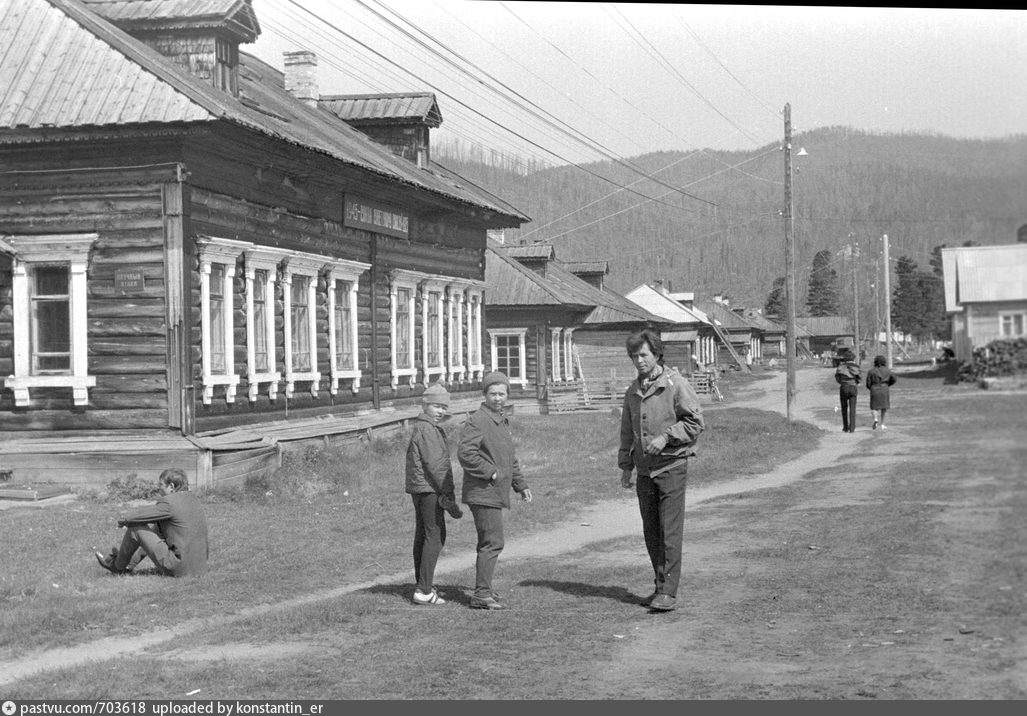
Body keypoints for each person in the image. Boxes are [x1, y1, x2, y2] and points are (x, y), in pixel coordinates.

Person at [619, 329, 705, 612]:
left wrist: (667, 437)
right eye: (634, 356)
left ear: (656, 354)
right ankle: (659, 588)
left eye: (644, 354)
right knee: (651, 532)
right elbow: (627, 432)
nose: (639, 360)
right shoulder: (633, 391)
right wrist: (626, 467)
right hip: (645, 472)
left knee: (669, 531)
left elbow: (695, 422)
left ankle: (668, 591)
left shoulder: (675, 384)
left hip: (671, 467)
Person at [457, 370, 532, 610]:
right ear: (485, 394)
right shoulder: (478, 420)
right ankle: (481, 595)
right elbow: (465, 454)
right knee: (492, 541)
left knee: (490, 541)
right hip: (482, 491)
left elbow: (509, 458)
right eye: (493, 393)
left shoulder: (501, 420)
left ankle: (485, 589)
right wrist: (491, 472)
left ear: (507, 395)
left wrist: (520, 485)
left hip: (495, 491)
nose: (497, 398)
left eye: (501, 393)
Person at [405, 382, 463, 606]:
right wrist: (448, 494)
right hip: (429, 488)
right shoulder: (428, 429)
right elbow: (437, 466)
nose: (440, 411)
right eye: (436, 406)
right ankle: (424, 590)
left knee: (424, 535)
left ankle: (423, 584)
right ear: (425, 405)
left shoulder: (424, 426)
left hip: (420, 487)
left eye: (443, 407)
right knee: (435, 536)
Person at [95, 468, 209, 577]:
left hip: (179, 569)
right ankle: (129, 566)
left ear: (171, 486)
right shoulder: (194, 499)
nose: (158, 489)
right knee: (157, 528)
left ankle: (116, 567)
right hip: (200, 567)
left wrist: (124, 520)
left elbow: (140, 516)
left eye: (161, 485)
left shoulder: (169, 502)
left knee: (136, 529)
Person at [865, 354, 897, 431]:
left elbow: (868, 383)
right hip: (884, 388)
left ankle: (875, 419)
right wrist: (888, 384)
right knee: (884, 407)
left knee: (874, 407)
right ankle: (882, 424)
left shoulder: (871, 371)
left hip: (874, 389)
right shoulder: (887, 370)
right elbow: (894, 379)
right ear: (884, 362)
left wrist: (871, 388)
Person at [834, 348, 862, 433]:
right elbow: (859, 378)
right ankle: (852, 428)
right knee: (853, 409)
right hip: (853, 387)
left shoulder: (840, 367)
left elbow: (837, 378)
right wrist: (856, 382)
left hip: (844, 387)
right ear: (853, 358)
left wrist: (842, 382)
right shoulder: (856, 367)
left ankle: (845, 427)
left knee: (844, 408)